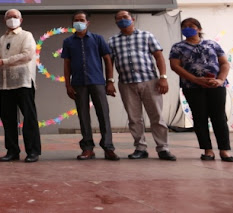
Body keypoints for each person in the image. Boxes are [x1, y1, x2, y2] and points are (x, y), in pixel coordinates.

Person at [108, 11, 176, 161]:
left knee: (156, 116)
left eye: (125, 17)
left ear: (132, 19)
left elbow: (159, 57)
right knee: (134, 118)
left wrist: (163, 77)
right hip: (126, 83)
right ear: (116, 22)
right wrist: (110, 81)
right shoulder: (112, 41)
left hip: (150, 81)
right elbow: (109, 62)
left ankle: (163, 148)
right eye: (118, 18)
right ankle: (140, 148)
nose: (122, 20)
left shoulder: (146, 36)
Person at [169, 17, 233, 162]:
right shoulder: (178, 47)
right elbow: (175, 66)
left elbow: (224, 63)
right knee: (200, 117)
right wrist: (195, 79)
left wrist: (220, 80)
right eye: (184, 26)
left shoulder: (212, 44)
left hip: (216, 86)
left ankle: (224, 150)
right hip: (192, 87)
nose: (188, 28)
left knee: (219, 117)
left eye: (191, 26)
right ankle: (208, 150)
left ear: (199, 29)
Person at [62, 11, 119, 161]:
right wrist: (67, 85)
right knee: (83, 116)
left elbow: (107, 59)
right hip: (78, 83)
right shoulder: (68, 42)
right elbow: (67, 64)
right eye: (76, 20)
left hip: (97, 82)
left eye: (81, 20)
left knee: (103, 114)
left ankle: (108, 147)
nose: (78, 22)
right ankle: (87, 148)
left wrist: (110, 81)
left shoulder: (97, 39)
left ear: (88, 22)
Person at [0, 9, 41, 163]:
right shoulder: (3, 38)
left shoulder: (27, 35)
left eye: (15, 17)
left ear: (21, 20)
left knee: (29, 118)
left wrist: (3, 61)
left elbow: (27, 55)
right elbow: (5, 57)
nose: (12, 19)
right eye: (9, 17)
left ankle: (33, 151)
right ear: (5, 20)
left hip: (23, 82)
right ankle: (12, 151)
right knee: (8, 118)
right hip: (5, 84)